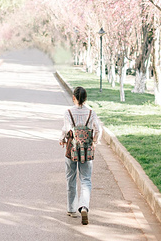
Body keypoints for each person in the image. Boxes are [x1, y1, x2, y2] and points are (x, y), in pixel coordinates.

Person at [59, 86, 101, 225]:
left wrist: (62, 139)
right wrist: (94, 142)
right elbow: (98, 129)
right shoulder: (91, 112)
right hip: (86, 148)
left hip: (71, 148)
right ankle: (84, 206)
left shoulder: (68, 112)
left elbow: (66, 129)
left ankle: (71, 208)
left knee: (71, 177)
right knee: (86, 179)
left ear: (74, 97)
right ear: (86, 98)